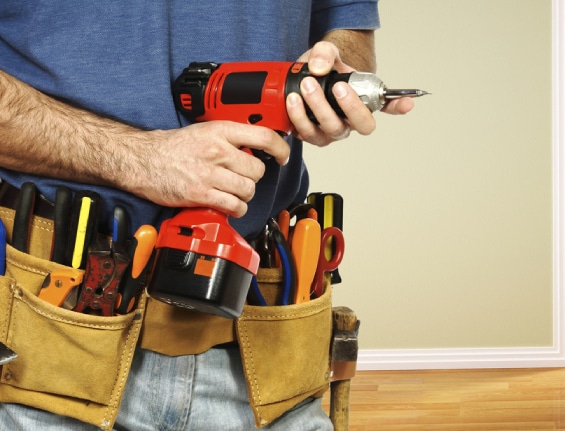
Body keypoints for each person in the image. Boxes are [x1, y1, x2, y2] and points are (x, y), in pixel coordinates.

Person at [0, 1, 414, 430]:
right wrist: (135, 158)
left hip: (266, 350)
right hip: (46, 358)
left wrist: (335, 77)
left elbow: (348, 25)